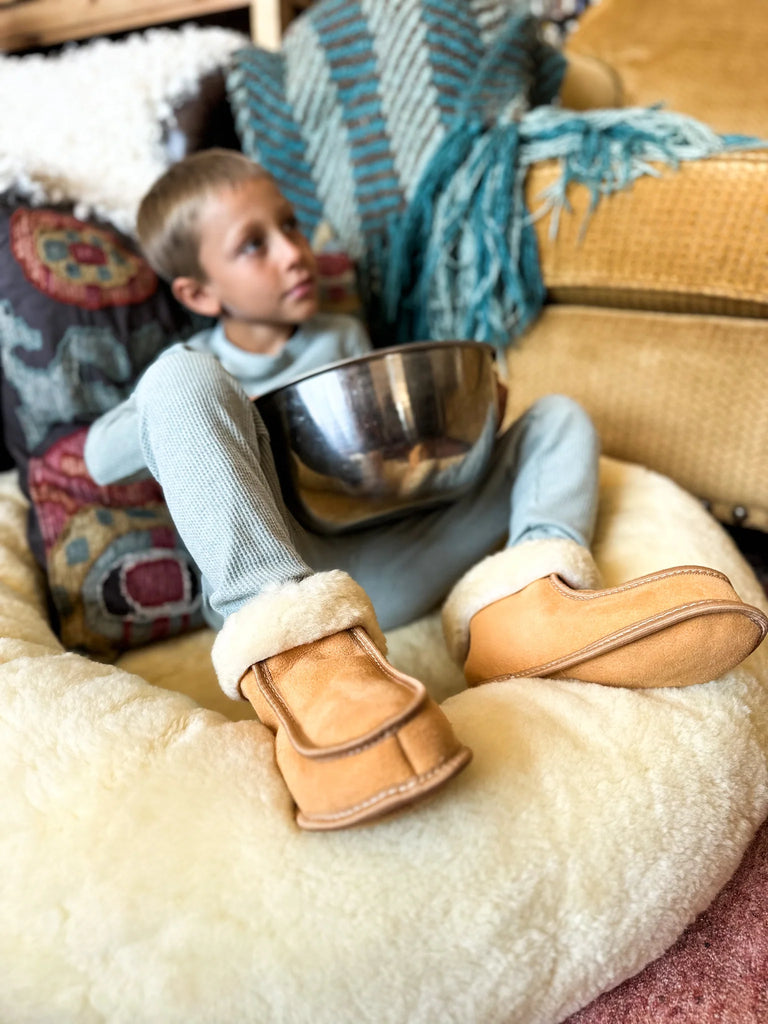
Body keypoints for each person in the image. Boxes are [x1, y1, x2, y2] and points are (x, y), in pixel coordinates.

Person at [84, 150, 767, 832]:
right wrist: (206, 393)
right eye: (254, 246)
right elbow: (99, 456)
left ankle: (525, 611)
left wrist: (464, 422)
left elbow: (383, 450)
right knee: (183, 381)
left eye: (291, 226)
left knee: (558, 417)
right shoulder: (199, 367)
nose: (294, 254)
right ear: (201, 294)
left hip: (401, 550)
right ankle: (305, 667)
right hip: (303, 578)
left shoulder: (340, 334)